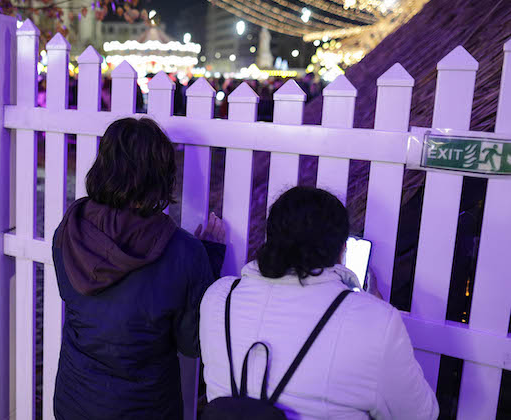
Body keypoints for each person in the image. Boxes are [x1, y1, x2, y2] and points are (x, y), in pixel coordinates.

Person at [199, 187, 438, 419]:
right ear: (342, 251)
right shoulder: (376, 321)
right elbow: (421, 414)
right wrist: (372, 301)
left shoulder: (219, 296)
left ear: (270, 239)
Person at [52, 117, 226, 420]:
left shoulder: (70, 229)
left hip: (74, 399)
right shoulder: (184, 252)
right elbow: (193, 343)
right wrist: (209, 257)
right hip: (144, 408)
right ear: (162, 175)